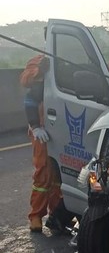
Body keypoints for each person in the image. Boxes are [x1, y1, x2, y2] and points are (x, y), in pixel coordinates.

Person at [20, 53, 73, 233]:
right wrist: (40, 70)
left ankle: (56, 214)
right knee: (43, 173)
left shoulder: (66, 61)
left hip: (60, 127)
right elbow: (27, 86)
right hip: (41, 128)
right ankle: (36, 215)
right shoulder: (37, 60)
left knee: (59, 174)